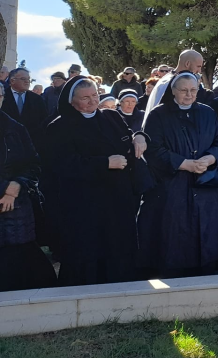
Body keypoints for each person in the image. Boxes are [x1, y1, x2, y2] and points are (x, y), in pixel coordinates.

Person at [44, 76, 148, 285]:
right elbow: (62, 164)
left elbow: (127, 136)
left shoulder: (111, 116)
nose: (92, 101)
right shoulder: (59, 127)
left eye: (95, 95)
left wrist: (140, 136)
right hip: (84, 202)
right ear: (71, 101)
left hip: (117, 197)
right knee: (87, 249)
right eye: (85, 98)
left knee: (118, 245)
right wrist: (104, 163)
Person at [138, 72, 218, 278]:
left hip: (203, 182)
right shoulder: (158, 115)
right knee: (174, 230)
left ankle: (204, 270)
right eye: (184, 90)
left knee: (204, 229)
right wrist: (182, 163)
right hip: (172, 183)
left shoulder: (207, 112)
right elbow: (153, 149)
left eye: (193, 90)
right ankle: (173, 273)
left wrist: (211, 159)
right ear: (173, 91)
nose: (189, 95)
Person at [0, 80, 57, 292]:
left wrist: (16, 186)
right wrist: (5, 188)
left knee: (20, 257)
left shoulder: (15, 128)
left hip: (16, 204)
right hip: (7, 194)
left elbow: (33, 164)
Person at [144, 49, 207, 116]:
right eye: (198, 66)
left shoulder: (167, 79)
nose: (199, 71)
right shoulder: (170, 82)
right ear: (187, 64)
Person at [4, 68, 47, 146]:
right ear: (12, 80)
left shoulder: (37, 99)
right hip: (5, 144)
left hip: (31, 144)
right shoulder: (2, 96)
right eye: (23, 79)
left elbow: (43, 120)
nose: (27, 81)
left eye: (28, 79)